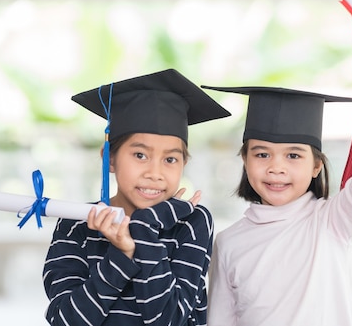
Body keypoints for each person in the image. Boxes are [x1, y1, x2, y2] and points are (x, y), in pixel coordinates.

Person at [203, 32, 352, 325]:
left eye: (293, 156)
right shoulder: (229, 243)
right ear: (245, 161)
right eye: (262, 155)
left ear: (316, 166)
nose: (276, 168)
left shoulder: (334, 222)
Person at [42, 69, 231, 326]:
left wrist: (144, 227)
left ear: (183, 164)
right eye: (140, 155)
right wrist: (121, 256)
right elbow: (66, 320)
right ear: (109, 158)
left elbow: (168, 320)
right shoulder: (76, 222)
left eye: (170, 159)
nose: (155, 173)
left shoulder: (192, 221)